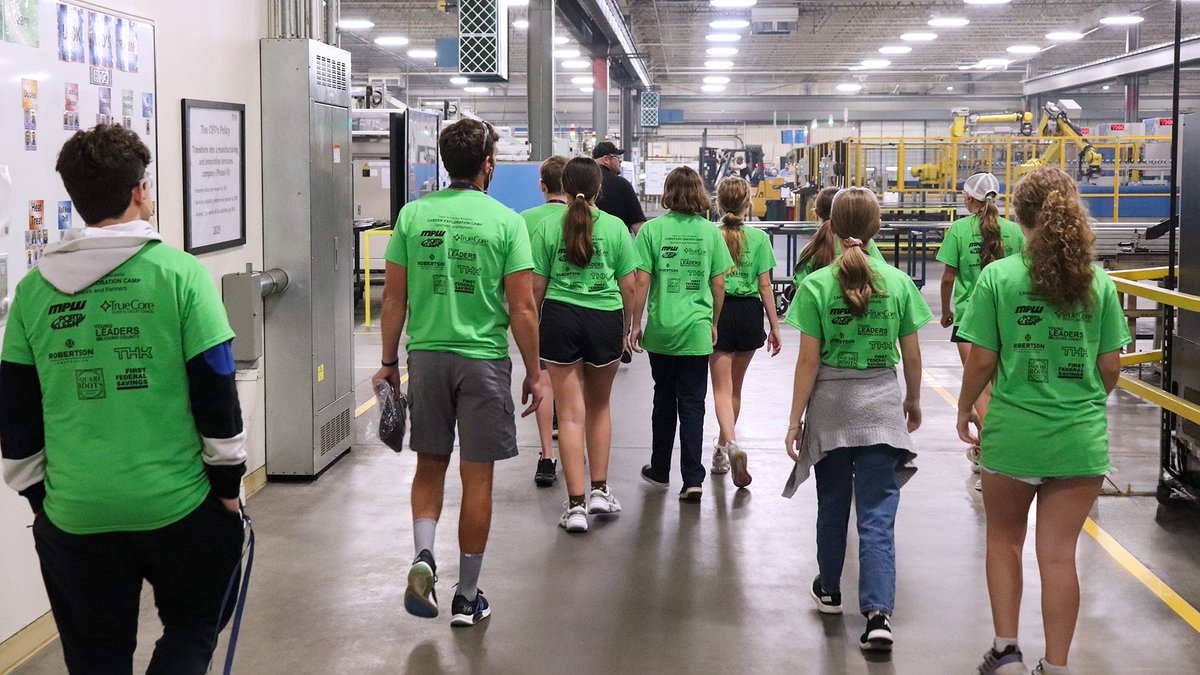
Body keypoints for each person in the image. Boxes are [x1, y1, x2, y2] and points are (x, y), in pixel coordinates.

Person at [0, 124, 246, 673]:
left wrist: (44, 504)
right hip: (177, 506)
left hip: (75, 513)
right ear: (140, 189)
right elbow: (216, 389)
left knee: (95, 658)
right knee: (192, 626)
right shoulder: (181, 275)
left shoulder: (31, 294)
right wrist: (228, 487)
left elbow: (15, 417)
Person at [959, 167, 1129, 675]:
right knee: (1058, 556)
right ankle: (1056, 665)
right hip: (1079, 442)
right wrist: (1081, 404)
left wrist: (967, 405)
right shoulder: (1097, 282)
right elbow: (1111, 366)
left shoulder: (1000, 277)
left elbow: (983, 360)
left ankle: (1006, 650)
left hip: (1013, 434)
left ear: (1020, 218)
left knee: (1004, 540)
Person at [374, 119, 544, 628]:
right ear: (488, 164)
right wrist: (535, 373)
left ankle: (424, 557)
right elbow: (523, 309)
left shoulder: (413, 217)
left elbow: (395, 298)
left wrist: (387, 363)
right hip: (483, 362)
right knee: (478, 476)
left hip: (426, 359)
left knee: (430, 466)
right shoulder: (505, 222)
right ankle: (467, 598)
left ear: (446, 162)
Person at [783, 187, 930, 654]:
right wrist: (914, 401)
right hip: (881, 409)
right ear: (878, 229)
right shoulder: (900, 284)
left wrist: (794, 421)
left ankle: (829, 589)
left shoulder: (816, 285)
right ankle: (878, 614)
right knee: (877, 514)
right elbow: (911, 353)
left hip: (829, 411)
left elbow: (808, 362)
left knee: (832, 502)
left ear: (829, 226)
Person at [530, 157, 637, 532]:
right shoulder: (615, 227)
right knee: (599, 408)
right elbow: (629, 285)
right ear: (598, 189)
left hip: (560, 319)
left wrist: (533, 328)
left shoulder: (548, 226)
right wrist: (629, 326)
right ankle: (599, 491)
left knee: (571, 414)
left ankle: (575, 507)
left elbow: (537, 288)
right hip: (604, 318)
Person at [630, 166, 733, 502]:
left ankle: (660, 471)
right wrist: (714, 322)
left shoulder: (651, 231)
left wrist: (634, 323)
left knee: (664, 400)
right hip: (696, 330)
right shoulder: (710, 232)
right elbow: (719, 283)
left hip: (662, 330)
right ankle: (693, 479)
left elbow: (641, 281)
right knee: (692, 404)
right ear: (699, 193)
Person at [936, 172, 1025, 484]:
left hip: (970, 319)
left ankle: (992, 452)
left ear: (968, 199)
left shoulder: (959, 230)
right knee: (1004, 385)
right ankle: (1007, 446)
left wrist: (947, 311)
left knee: (979, 387)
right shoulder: (1014, 231)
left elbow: (948, 277)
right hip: (1010, 318)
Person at [710, 176, 782, 489]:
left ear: (718, 202)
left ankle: (730, 446)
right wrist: (775, 325)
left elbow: (711, 281)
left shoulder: (710, 235)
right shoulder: (760, 238)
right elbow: (765, 285)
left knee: (721, 390)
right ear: (748, 203)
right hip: (750, 314)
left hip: (721, 311)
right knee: (735, 389)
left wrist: (711, 320)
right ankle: (722, 448)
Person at [520, 155, 568, 487]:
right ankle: (573, 446)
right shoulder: (584, 218)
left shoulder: (525, 220)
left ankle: (547, 457)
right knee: (575, 386)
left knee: (545, 383)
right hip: (577, 307)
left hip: (539, 310)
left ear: (542, 186)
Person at [792, 186, 885, 289]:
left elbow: (800, 289)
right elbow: (883, 276)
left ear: (817, 213)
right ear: (877, 225)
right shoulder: (900, 282)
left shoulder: (811, 251)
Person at [592, 141, 646, 236]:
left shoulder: (583, 181)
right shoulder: (621, 184)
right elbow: (638, 226)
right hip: (617, 244)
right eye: (617, 157)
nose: (620, 161)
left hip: (585, 245)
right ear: (606, 159)